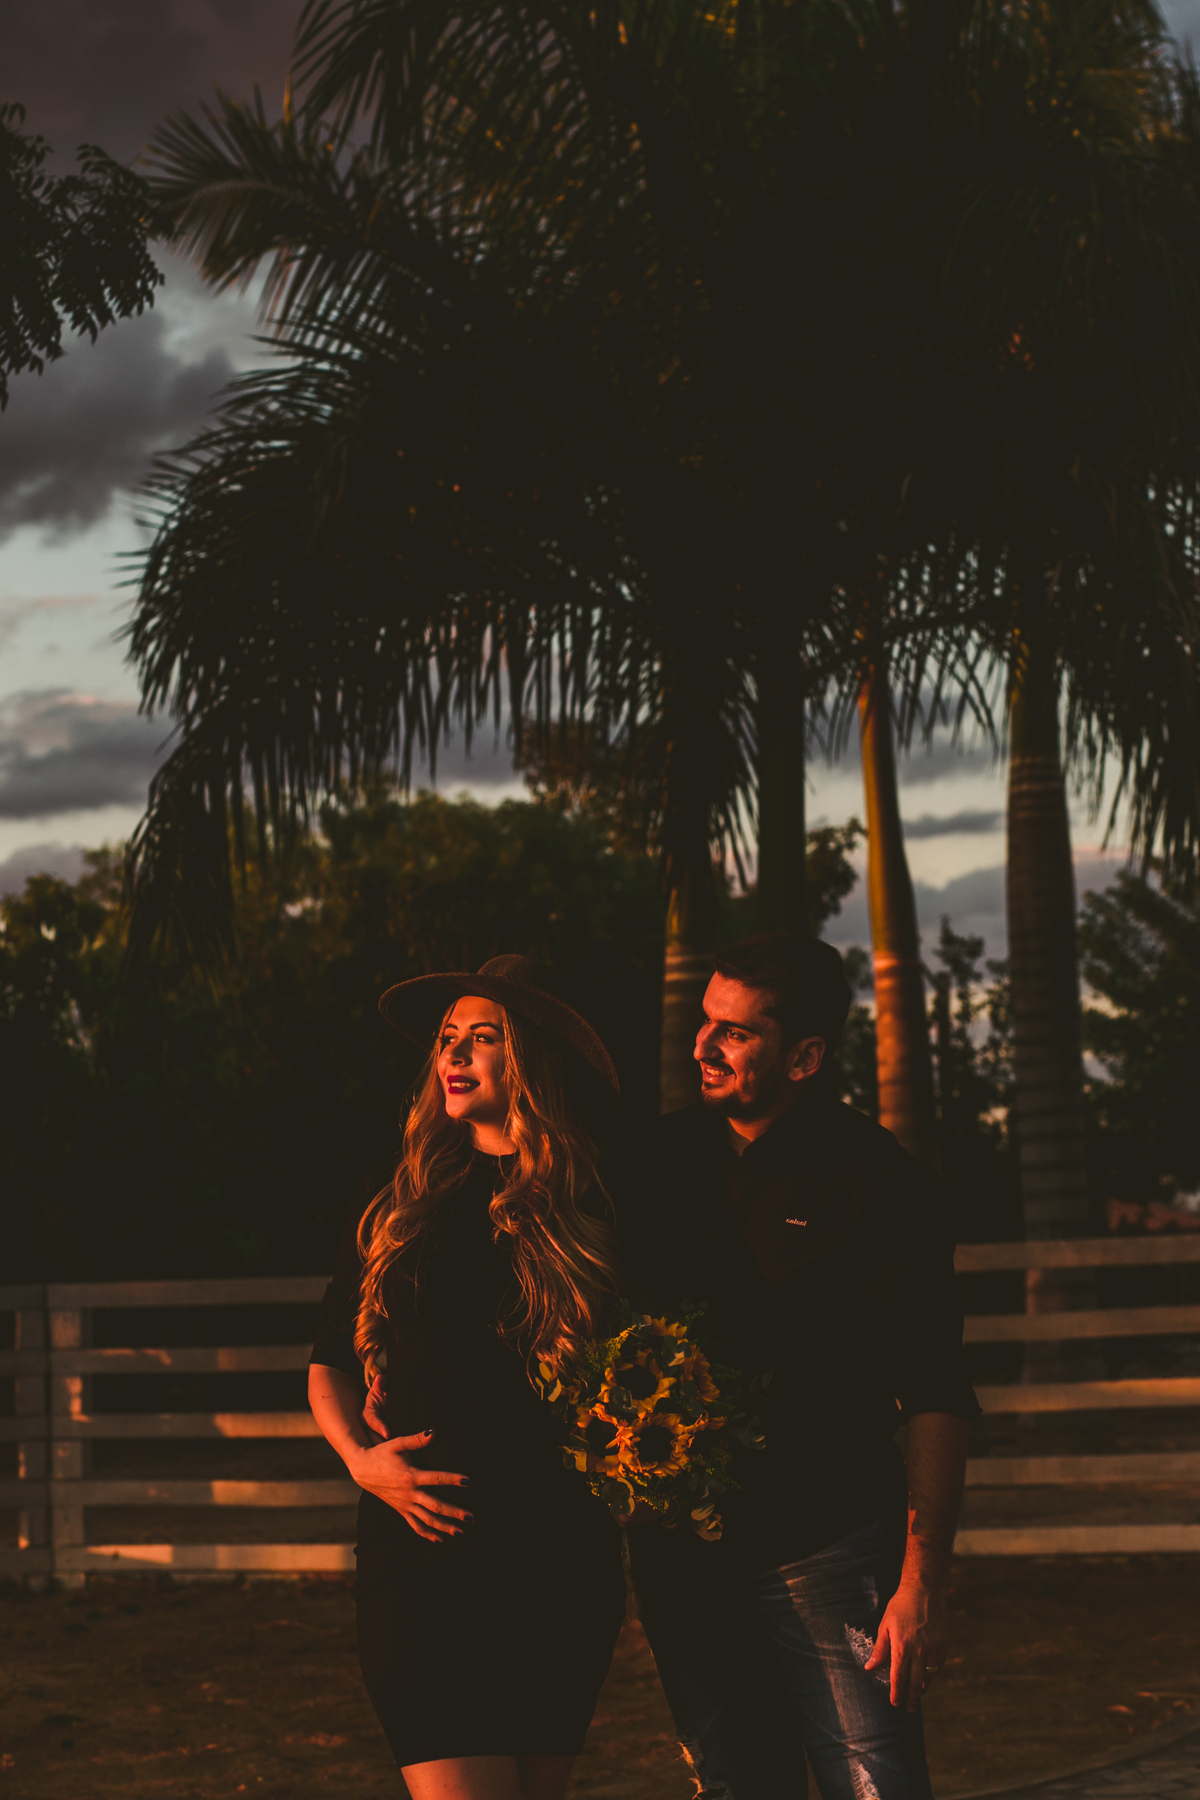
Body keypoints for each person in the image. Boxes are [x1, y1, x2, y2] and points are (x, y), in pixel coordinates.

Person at [623, 932, 981, 1800]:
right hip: (684, 1560)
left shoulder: (884, 1186)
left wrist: (922, 1580)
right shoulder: (651, 1166)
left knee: (878, 1787)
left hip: (830, 1545)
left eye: (736, 1033)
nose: (704, 1045)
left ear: (807, 1055)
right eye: (706, 1023)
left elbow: (934, 1390)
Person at [308, 955, 627, 1800]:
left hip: (562, 1559)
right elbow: (328, 1364)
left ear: (530, 1059)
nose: (453, 1055)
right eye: (448, 1039)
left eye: (482, 1039)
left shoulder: (596, 1201)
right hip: (423, 1555)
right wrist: (359, 1459)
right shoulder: (397, 1203)